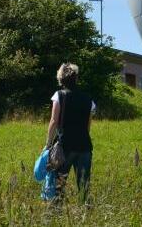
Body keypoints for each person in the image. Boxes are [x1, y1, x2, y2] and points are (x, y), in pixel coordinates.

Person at [45, 63, 96, 204]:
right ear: (76, 78)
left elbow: (54, 121)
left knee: (59, 185)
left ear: (60, 78)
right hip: (85, 147)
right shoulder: (88, 99)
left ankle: (55, 215)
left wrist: (48, 144)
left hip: (64, 147)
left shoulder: (59, 95)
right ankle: (86, 215)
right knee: (84, 186)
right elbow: (88, 126)